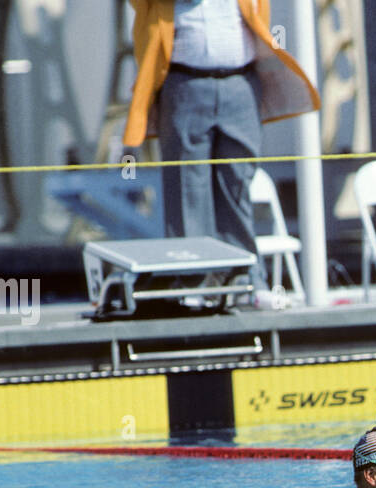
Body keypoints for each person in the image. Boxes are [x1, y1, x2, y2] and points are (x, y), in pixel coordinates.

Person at [124, 1, 319, 303]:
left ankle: (244, 281)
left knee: (237, 184)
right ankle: (193, 282)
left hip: (240, 82)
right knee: (187, 187)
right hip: (184, 82)